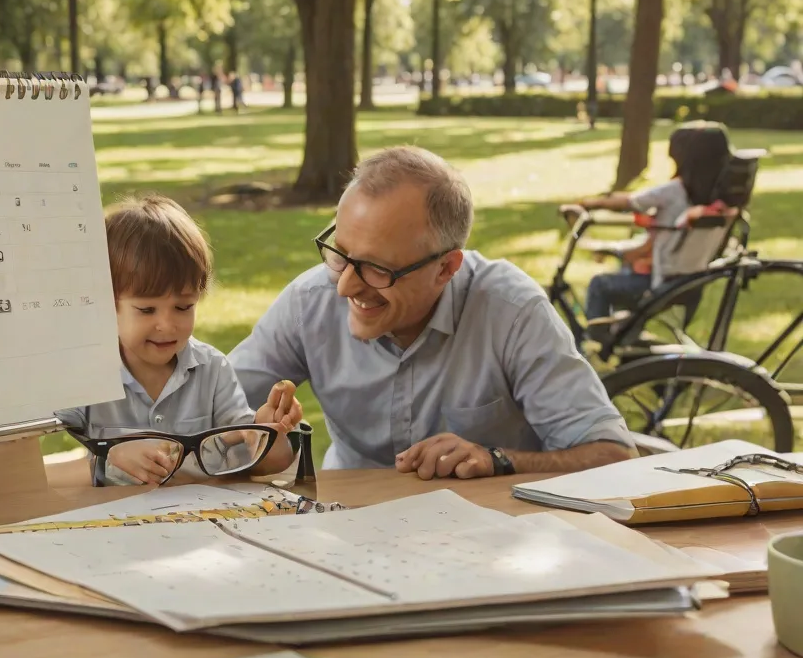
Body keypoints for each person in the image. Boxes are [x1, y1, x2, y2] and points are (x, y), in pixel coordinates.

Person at [228, 146, 635, 481]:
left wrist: (496, 459)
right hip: (346, 524)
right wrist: (246, 436)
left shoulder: (511, 312)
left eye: (376, 268)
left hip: (487, 541)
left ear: (446, 268)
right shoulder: (308, 301)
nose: (345, 286)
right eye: (341, 254)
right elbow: (206, 412)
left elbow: (613, 456)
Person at [56, 195, 301, 485]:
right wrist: (108, 455)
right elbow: (35, 464)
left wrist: (267, 431)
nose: (167, 325)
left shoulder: (212, 370)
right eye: (147, 310)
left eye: (183, 307)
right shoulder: (86, 374)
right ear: (108, 305)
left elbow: (268, 465)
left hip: (203, 523)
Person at [576, 123, 731, 325]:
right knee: (627, 260)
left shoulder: (675, 191)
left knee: (600, 285)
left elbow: (630, 202)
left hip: (660, 282)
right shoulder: (723, 202)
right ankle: (624, 333)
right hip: (692, 282)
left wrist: (588, 203)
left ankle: (594, 341)